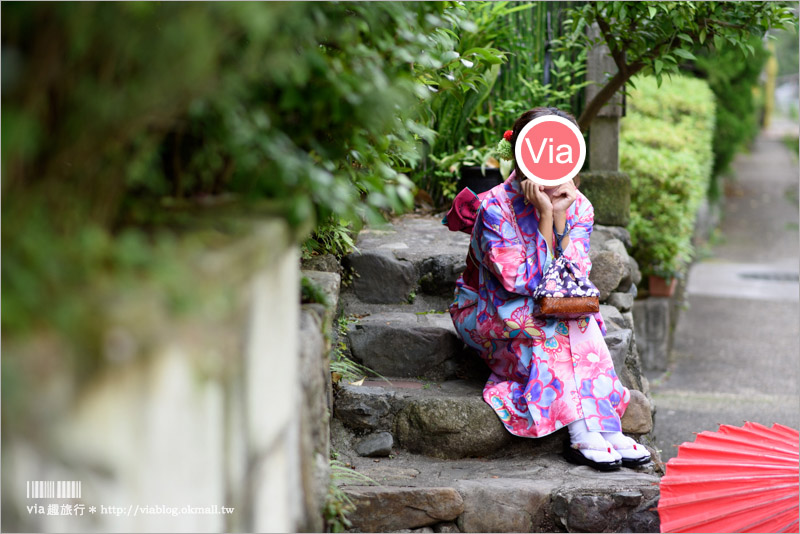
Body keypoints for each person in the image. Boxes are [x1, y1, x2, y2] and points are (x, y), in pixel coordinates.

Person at [446, 107, 650, 470]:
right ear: (524, 158)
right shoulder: (494, 207)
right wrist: (545, 217)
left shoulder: (579, 206)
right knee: (553, 328)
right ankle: (581, 429)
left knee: (579, 320)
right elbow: (521, 280)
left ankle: (607, 427)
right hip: (490, 308)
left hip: (548, 306)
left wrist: (561, 217)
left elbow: (572, 280)